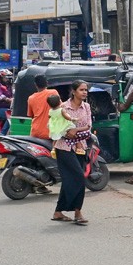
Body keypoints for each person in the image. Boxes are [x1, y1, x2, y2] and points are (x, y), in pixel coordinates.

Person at [51, 80, 92, 225]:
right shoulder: (63, 107)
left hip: (81, 147)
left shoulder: (86, 107)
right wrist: (68, 131)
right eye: (81, 90)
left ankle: (58, 212)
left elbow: (88, 126)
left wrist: (75, 130)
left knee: (69, 180)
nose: (84, 92)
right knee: (78, 177)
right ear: (73, 92)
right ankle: (77, 212)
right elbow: (56, 127)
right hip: (64, 147)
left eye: (86, 90)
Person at [27, 75, 53, 140]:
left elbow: (31, 116)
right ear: (47, 83)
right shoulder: (53, 92)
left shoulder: (31, 98)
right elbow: (60, 108)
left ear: (35, 84)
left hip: (35, 132)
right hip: (49, 132)